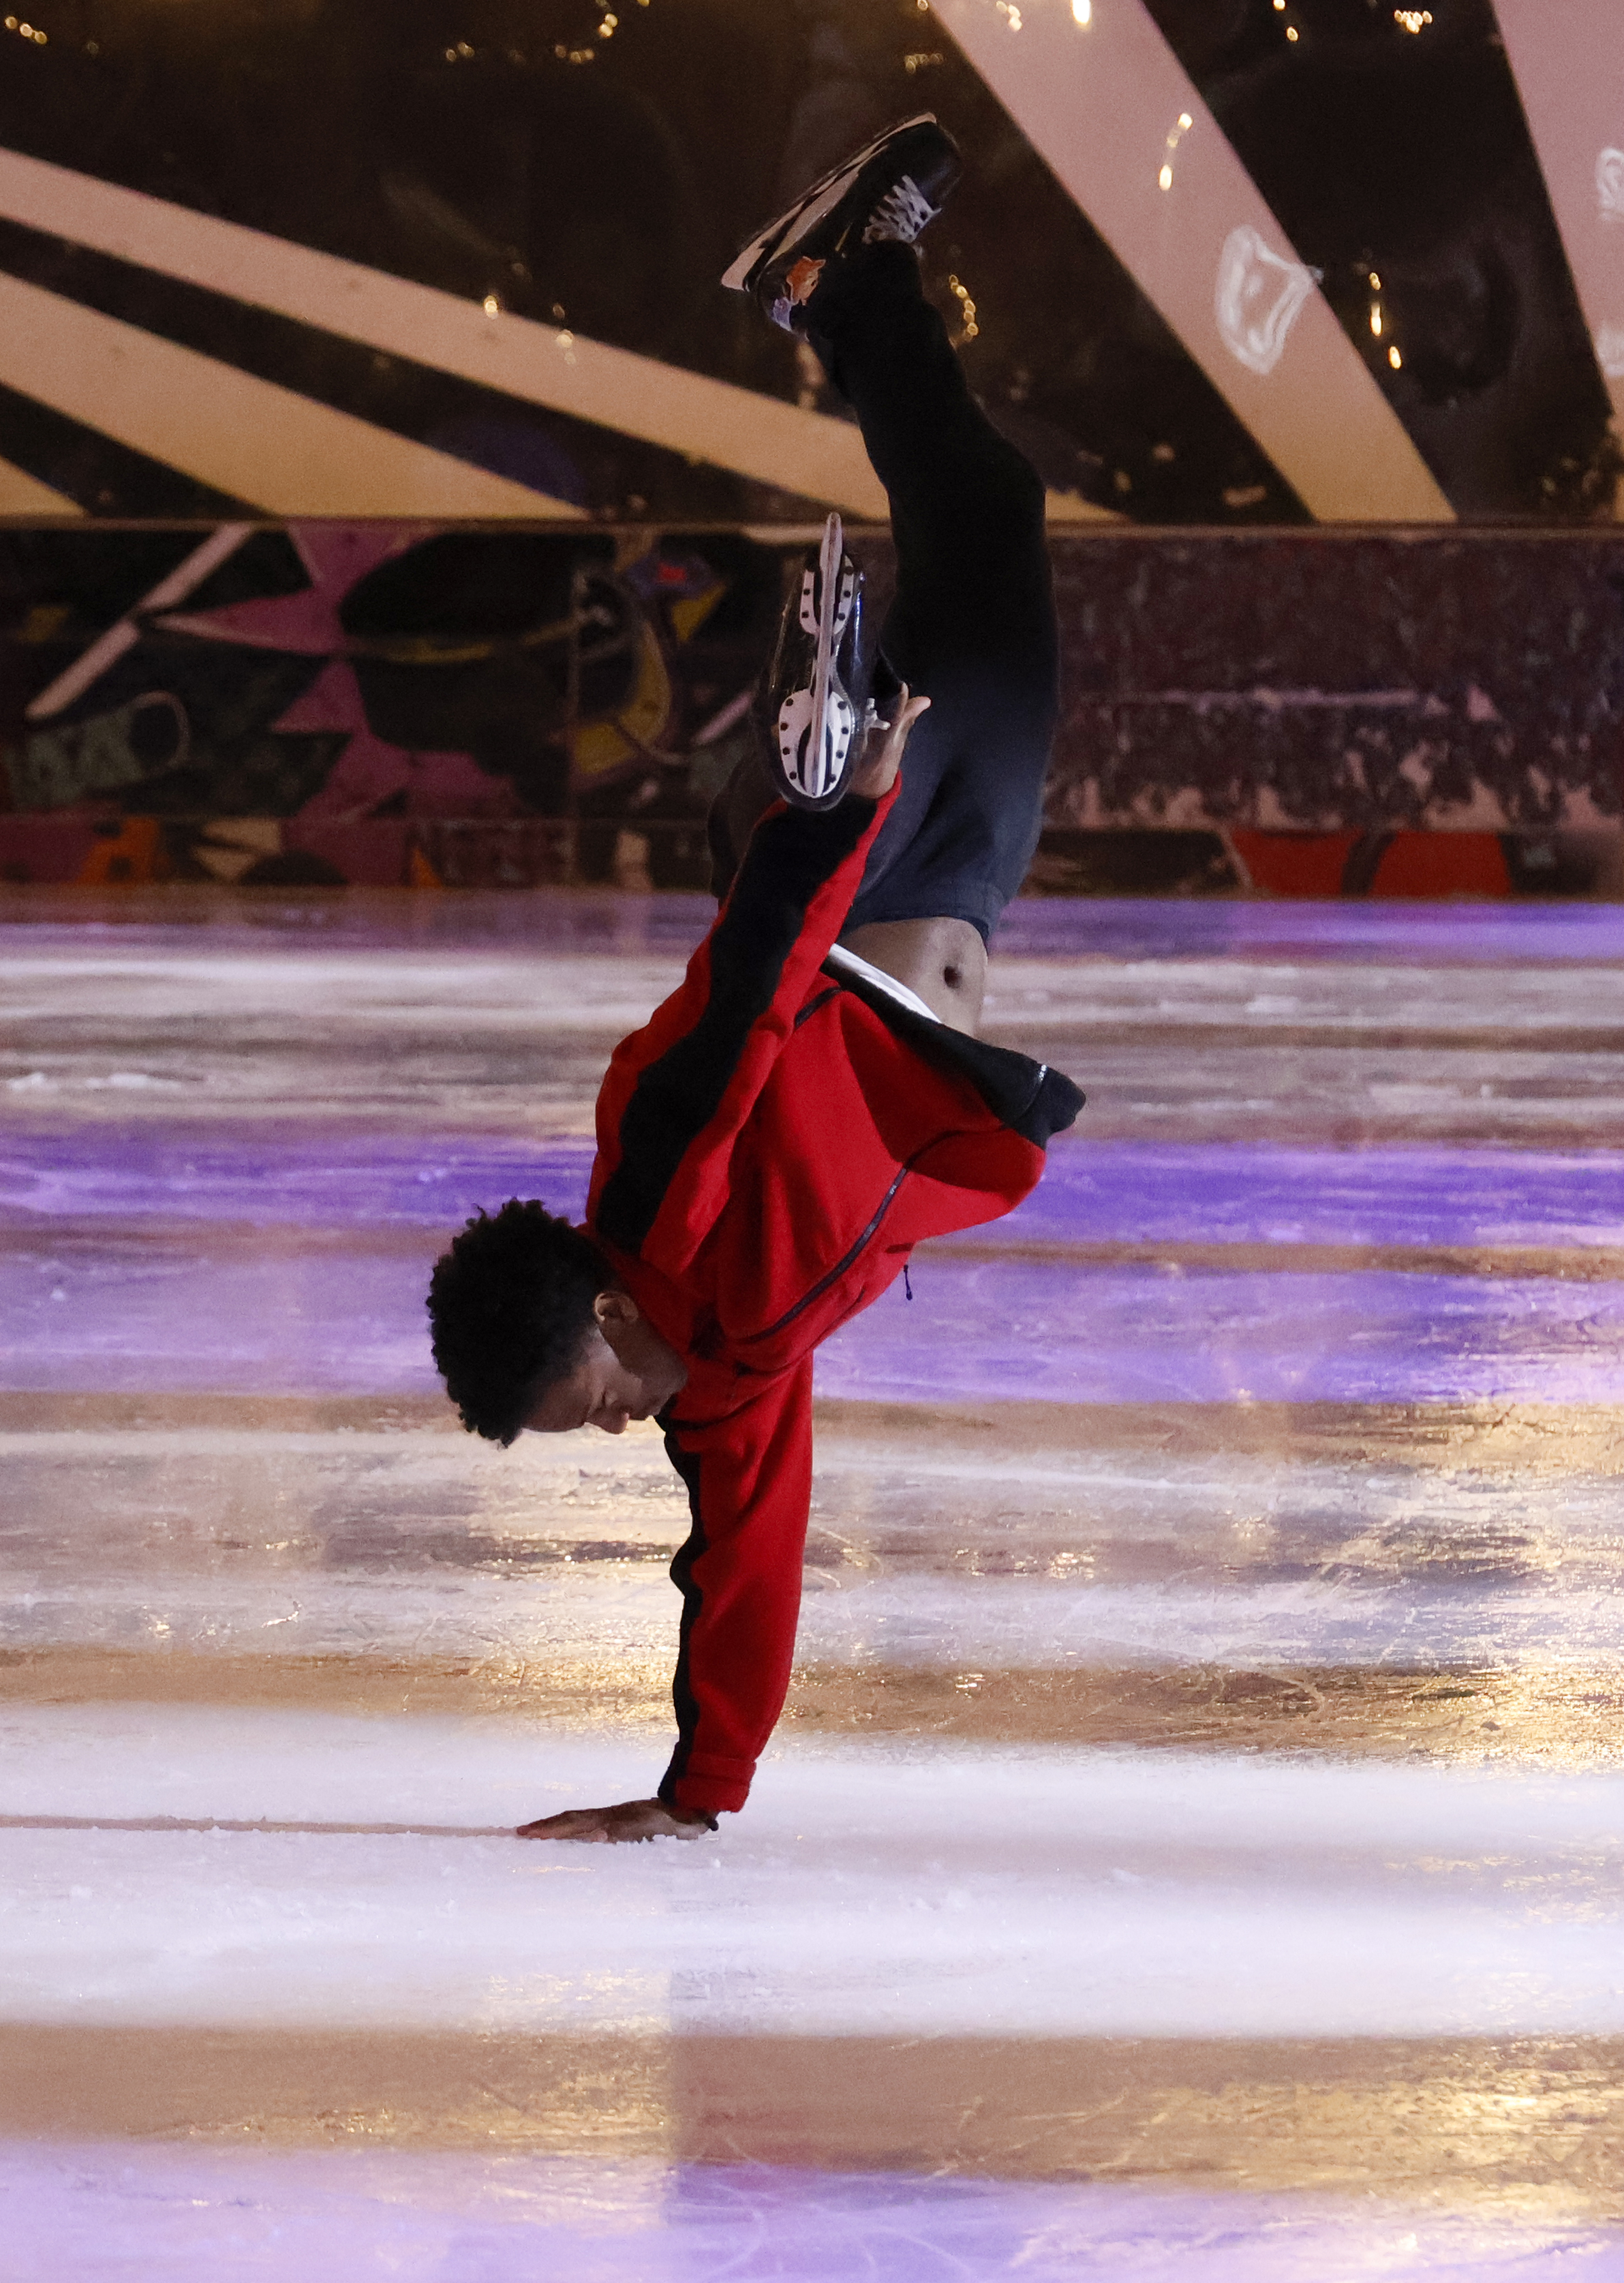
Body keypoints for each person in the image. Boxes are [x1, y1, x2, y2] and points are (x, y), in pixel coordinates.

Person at [423, 115, 1081, 1841]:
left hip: (868, 880)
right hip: (948, 927)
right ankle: (832, 281)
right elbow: (743, 1564)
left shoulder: (653, 1179)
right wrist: (694, 1798)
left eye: (586, 1404)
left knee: (985, 550)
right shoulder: (717, 1389)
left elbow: (740, 1003)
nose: (612, 1429)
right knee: (987, 514)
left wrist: (835, 824)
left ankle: (842, 311)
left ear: (598, 1312)